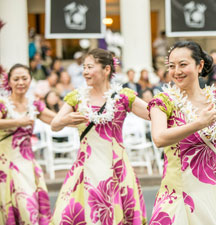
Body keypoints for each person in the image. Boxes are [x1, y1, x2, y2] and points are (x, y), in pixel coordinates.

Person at [148, 41, 216, 224]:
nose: (176, 71)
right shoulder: (162, 102)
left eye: (183, 64)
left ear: (200, 65)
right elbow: (159, 138)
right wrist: (199, 123)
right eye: (172, 66)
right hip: (180, 190)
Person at [50, 48, 148, 224]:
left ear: (107, 70)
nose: (85, 72)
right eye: (84, 67)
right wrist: (66, 119)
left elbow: (152, 114)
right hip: (85, 166)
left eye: (90, 67)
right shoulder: (76, 97)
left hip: (116, 166)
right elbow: (55, 125)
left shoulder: (123, 97)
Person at [0, 64, 55, 224]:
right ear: (9, 82)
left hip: (27, 165)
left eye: (24, 78)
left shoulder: (35, 105)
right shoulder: (3, 104)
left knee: (28, 208)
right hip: (5, 164)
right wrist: (18, 121)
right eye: (16, 79)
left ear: (30, 80)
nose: (20, 82)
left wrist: (78, 117)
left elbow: (55, 119)